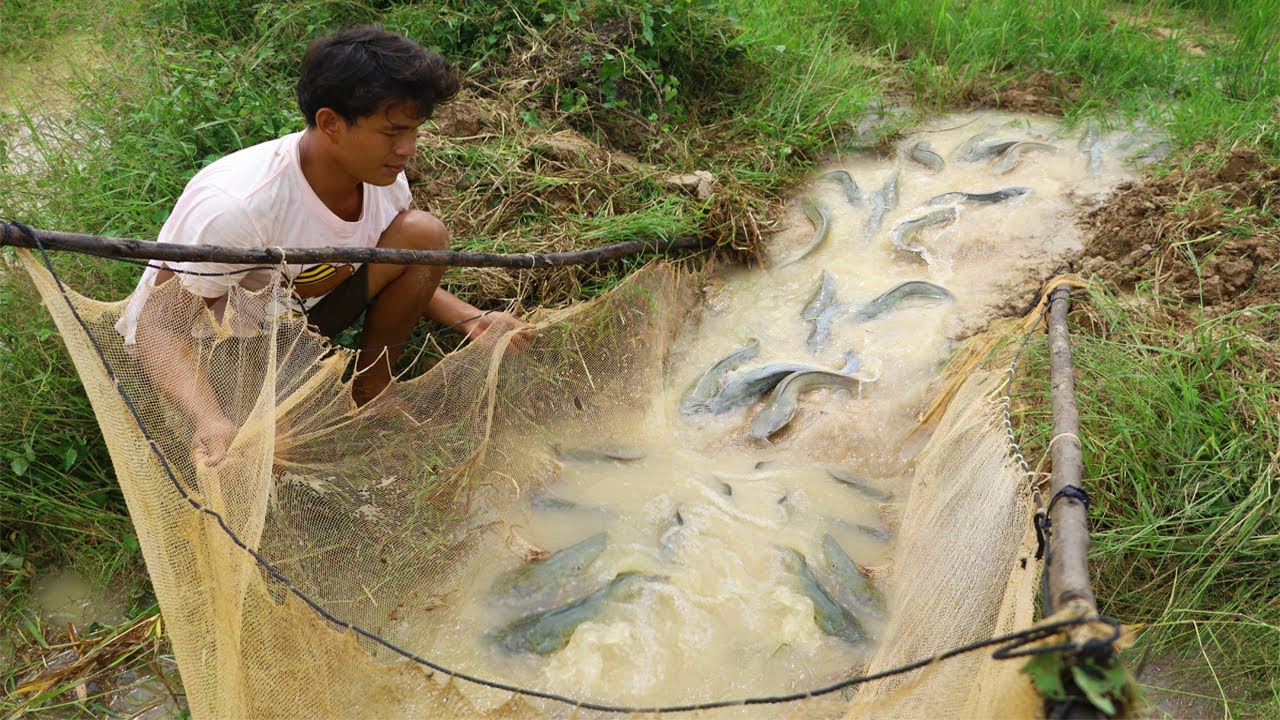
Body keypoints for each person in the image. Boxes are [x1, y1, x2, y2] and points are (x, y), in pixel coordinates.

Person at [116, 26, 524, 466]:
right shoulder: (241, 206)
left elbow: (400, 264)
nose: (408, 148)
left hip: (293, 321)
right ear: (330, 123)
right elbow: (159, 327)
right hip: (217, 346)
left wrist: (472, 319)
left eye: (414, 131)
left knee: (423, 234)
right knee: (282, 450)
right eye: (392, 132)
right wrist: (210, 419)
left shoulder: (382, 177)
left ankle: (372, 390)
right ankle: (243, 410)